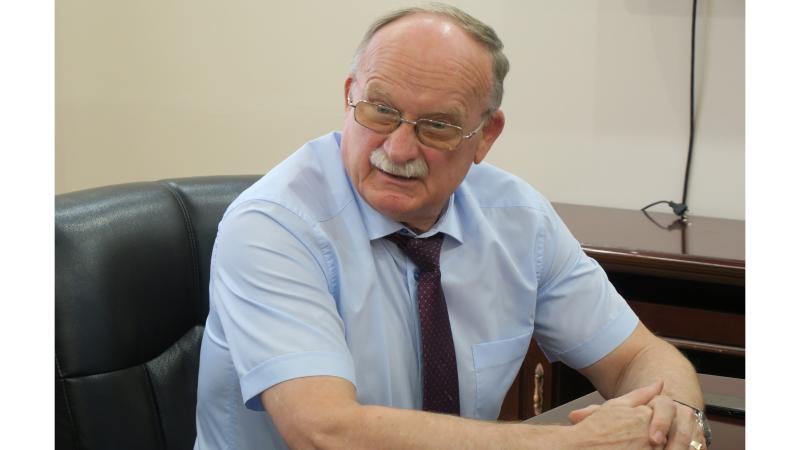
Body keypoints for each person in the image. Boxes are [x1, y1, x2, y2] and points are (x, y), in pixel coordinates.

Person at [194, 4, 710, 449]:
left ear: (485, 136)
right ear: (350, 96)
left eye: (437, 126)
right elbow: (324, 431)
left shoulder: (518, 220)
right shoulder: (273, 227)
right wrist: (569, 443)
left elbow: (638, 356)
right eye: (381, 111)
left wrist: (676, 414)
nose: (398, 149)